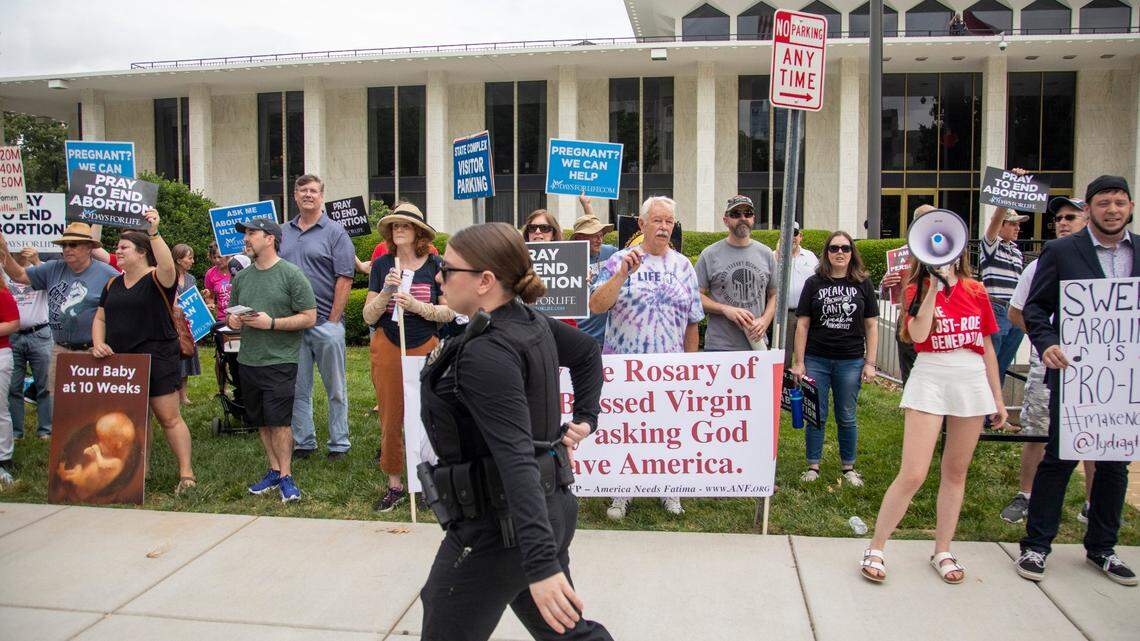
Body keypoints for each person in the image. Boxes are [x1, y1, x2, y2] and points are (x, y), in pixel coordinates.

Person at [417, 221, 611, 641]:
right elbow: (587, 353)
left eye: (448, 269)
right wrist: (585, 417)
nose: (438, 275)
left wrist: (539, 564)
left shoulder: (489, 351)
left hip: (502, 529)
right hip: (542, 511)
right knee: (567, 632)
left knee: (443, 622)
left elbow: (515, 459)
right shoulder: (525, 320)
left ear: (485, 280)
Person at [1016, 175, 1138, 586]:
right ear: (1090, 210)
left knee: (1115, 465)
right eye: (1103, 203)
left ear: (1131, 207)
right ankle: (1036, 545)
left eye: (1119, 202)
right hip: (1075, 375)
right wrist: (1047, 342)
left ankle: (1102, 547)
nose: (1112, 210)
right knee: (1060, 457)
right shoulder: (1062, 251)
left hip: (1123, 380)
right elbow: (1036, 308)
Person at [861, 248, 1005, 585]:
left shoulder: (976, 290)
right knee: (913, 473)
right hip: (930, 376)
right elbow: (920, 335)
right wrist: (935, 290)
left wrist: (997, 397)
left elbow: (986, 345)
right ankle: (877, 547)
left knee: (955, 471)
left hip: (969, 377)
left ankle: (943, 549)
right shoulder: (914, 290)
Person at [589, 196, 703, 519]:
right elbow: (597, 305)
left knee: (669, 432)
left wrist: (690, 368)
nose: (664, 227)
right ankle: (622, 492)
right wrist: (621, 275)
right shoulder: (620, 261)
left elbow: (693, 321)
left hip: (669, 368)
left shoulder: (683, 266)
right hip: (624, 368)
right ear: (641, 224)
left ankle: (670, 489)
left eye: (669, 221)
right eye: (657, 220)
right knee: (627, 430)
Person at [999, 196, 1095, 525]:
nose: (1063, 223)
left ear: (1088, 219)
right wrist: (1046, 341)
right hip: (1049, 362)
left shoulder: (1102, 264)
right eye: (1059, 218)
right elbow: (1015, 311)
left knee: (1094, 434)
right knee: (1037, 430)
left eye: (1072, 216)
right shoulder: (1039, 264)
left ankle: (1093, 503)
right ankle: (1026, 494)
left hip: (1095, 365)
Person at [91, 209, 197, 495]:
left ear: (142, 253)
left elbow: (168, 266)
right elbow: (100, 318)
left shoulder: (157, 279)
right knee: (135, 420)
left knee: (168, 417)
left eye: (123, 247)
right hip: (123, 362)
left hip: (158, 358)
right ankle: (140, 472)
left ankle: (186, 474)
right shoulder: (112, 283)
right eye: (117, 247)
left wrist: (154, 231)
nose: (118, 251)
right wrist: (98, 342)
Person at [363, 203, 454, 512]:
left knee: (426, 414)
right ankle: (395, 484)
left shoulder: (435, 265)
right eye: (394, 226)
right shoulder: (381, 265)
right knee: (391, 415)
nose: (398, 229)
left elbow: (449, 311)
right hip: (388, 343)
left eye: (405, 225)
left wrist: (417, 306)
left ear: (418, 232)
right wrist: (388, 292)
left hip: (425, 343)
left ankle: (427, 481)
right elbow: (367, 315)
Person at [229, 217, 317, 503]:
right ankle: (273, 469)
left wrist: (272, 323)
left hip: (280, 360)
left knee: (279, 421)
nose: (246, 239)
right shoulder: (241, 277)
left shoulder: (291, 274)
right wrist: (233, 319)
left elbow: (309, 316)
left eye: (252, 233)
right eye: (246, 234)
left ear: (270, 238)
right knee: (262, 421)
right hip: (248, 360)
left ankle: (286, 477)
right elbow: (233, 317)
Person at [789, 231, 878, 486]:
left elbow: (871, 326)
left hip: (850, 360)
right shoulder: (814, 283)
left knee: (847, 415)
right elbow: (803, 325)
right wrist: (800, 361)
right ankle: (813, 466)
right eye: (834, 248)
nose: (840, 253)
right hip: (817, 359)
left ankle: (848, 467)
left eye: (846, 249)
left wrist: (870, 363)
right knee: (816, 413)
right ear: (826, 253)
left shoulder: (863, 283)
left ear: (852, 253)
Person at [279, 174, 355, 460]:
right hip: (293, 325)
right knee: (298, 388)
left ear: (322, 196)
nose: (308, 194)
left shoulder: (336, 232)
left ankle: (339, 443)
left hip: (326, 323)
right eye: (302, 190)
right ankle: (304, 441)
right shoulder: (282, 232)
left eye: (313, 190)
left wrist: (334, 320)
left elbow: (345, 278)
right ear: (295, 196)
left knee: (336, 388)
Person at [0, 222, 118, 395]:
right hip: (60, 350)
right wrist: (4, 250)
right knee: (60, 406)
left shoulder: (108, 274)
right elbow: (19, 275)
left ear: (89, 247)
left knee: (90, 407)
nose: (67, 249)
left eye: (73, 244)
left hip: (93, 351)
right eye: (64, 245)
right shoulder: (54, 267)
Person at [696, 195, 777, 351]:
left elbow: (775, 294)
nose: (742, 218)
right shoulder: (710, 254)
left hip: (757, 344)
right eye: (735, 214)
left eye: (747, 214)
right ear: (726, 220)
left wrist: (765, 320)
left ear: (753, 218)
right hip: (720, 347)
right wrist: (725, 309)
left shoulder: (766, 253)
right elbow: (695, 296)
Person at [980, 171, 1028, 385]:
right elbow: (994, 221)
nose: (1018, 228)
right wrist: (1008, 188)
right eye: (1013, 223)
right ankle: (985, 415)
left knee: (1002, 365)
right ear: (1002, 225)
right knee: (989, 364)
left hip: (1015, 311)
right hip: (996, 309)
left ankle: (993, 415)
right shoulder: (991, 245)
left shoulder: (1017, 252)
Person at [879, 204, 937, 383]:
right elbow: (884, 291)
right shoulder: (903, 254)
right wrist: (885, 285)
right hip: (907, 323)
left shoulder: (943, 252)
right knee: (911, 377)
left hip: (938, 323)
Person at [7, 247, 52, 440]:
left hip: (39, 333)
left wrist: (36, 261)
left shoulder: (43, 268)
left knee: (45, 385)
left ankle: (46, 431)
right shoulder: (4, 270)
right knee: (12, 387)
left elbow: (54, 283)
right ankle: (16, 432)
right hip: (12, 336)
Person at [571, 195, 617, 347]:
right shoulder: (568, 259)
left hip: (608, 339)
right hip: (580, 337)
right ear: (579, 239)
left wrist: (587, 205)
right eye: (594, 236)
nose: (600, 239)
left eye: (601, 235)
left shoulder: (610, 252)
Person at [774, 223, 818, 365]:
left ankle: (803, 385)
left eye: (794, 233)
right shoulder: (772, 256)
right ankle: (783, 385)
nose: (791, 237)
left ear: (800, 236)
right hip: (783, 314)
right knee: (783, 357)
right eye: (786, 233)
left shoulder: (810, 257)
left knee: (806, 356)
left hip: (807, 314)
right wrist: (779, 256)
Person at [172, 244, 201, 405]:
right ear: (178, 259)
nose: (192, 261)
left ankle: (184, 395)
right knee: (174, 358)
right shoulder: (168, 276)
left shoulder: (191, 279)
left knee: (187, 353)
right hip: (173, 323)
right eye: (189, 258)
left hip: (188, 325)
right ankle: (173, 394)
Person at [0, 278, 20, 486]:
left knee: (0, 408)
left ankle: (4, 457)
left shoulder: (3, 295)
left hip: (1, 353)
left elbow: (13, 323)